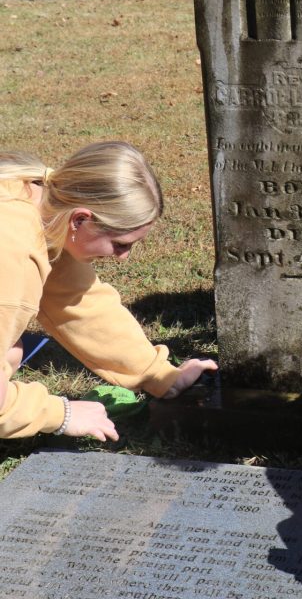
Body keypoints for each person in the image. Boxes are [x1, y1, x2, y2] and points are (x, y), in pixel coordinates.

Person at [0, 141, 218, 441]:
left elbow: (79, 304)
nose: (124, 258)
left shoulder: (41, 203)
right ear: (81, 219)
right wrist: (59, 414)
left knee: (11, 352)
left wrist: (158, 373)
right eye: (120, 244)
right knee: (11, 354)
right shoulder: (13, 258)